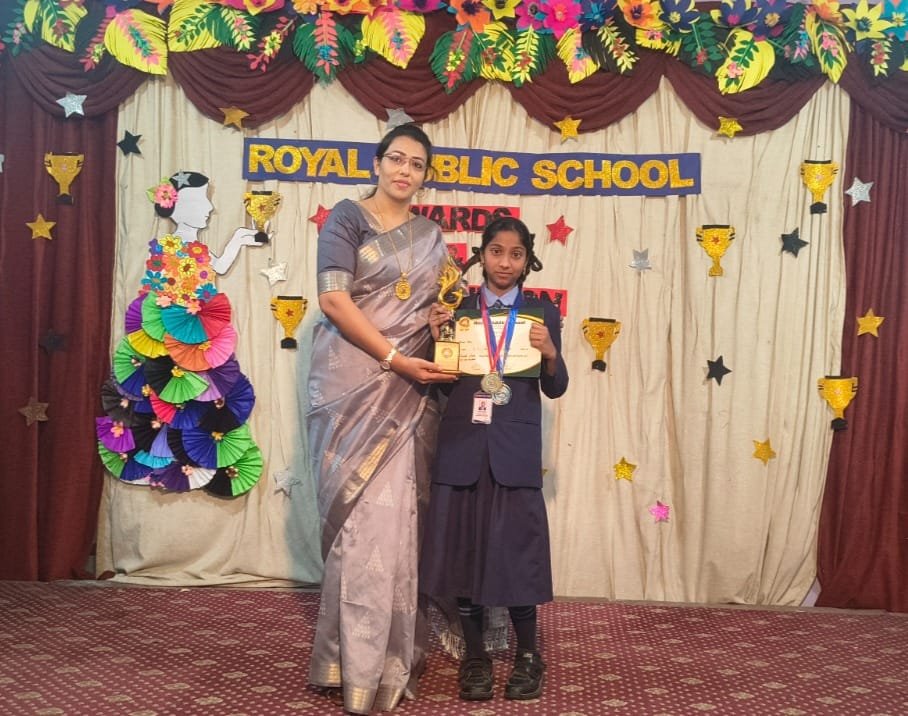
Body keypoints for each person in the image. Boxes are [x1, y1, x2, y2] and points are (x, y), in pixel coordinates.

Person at [306, 123, 456, 714]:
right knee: (360, 525)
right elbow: (333, 300)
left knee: (398, 526)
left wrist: (439, 321)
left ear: (425, 175)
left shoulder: (431, 236)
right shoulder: (346, 218)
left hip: (409, 389)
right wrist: (394, 357)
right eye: (396, 159)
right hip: (352, 385)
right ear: (377, 163)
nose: (404, 171)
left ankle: (387, 662)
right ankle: (352, 665)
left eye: (416, 164)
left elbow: (430, 307)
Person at [421, 216, 568, 702]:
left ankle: (528, 656)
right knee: (463, 554)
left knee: (517, 555)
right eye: (497, 252)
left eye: (516, 254)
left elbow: (555, 387)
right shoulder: (457, 311)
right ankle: (476, 657)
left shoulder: (541, 314)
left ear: (528, 261)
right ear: (482, 255)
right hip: (461, 449)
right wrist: (436, 339)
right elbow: (441, 383)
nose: (505, 262)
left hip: (514, 455)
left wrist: (551, 354)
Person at [96, 170, 265, 496]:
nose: (209, 209)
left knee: (202, 392)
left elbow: (218, 267)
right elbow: (156, 289)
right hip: (167, 332)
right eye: (200, 201)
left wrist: (239, 239)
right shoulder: (165, 246)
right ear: (174, 207)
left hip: (198, 331)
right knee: (159, 392)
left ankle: (198, 458)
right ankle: (156, 460)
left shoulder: (198, 248)